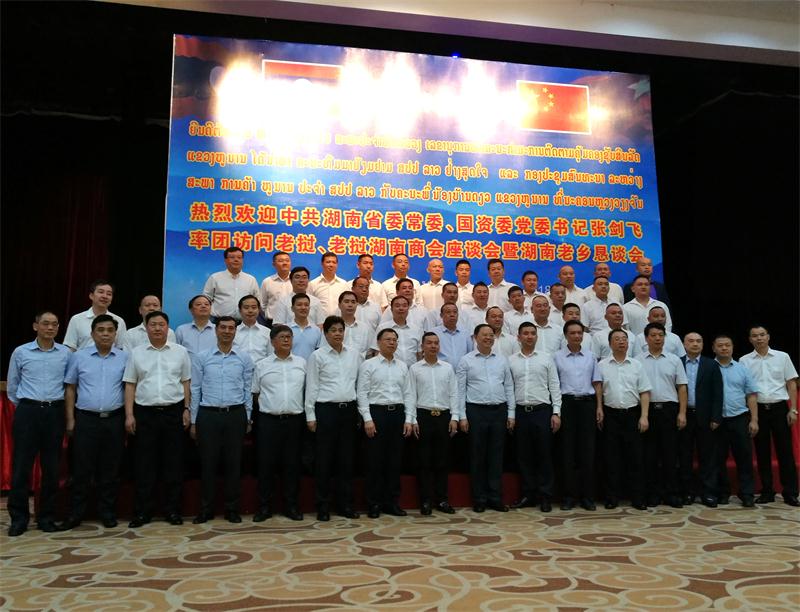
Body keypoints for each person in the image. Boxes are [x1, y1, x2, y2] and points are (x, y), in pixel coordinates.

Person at [59, 315, 128, 530]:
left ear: (116, 334)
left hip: (114, 420)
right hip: (86, 419)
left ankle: (107, 512)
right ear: (92, 333)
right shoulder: (79, 357)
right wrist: (70, 419)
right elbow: (70, 388)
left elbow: (129, 389)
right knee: (82, 469)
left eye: (110, 330)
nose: (105, 334)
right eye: (101, 330)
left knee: (110, 469)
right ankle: (76, 514)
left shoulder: (125, 358)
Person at [124, 311, 192, 527]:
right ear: (146, 328)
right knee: (144, 464)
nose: (157, 328)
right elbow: (130, 384)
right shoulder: (136, 353)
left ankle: (173, 511)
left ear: (167, 328)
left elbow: (186, 382)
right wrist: (129, 414)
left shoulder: (180, 352)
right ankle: (143, 512)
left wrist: (187, 409)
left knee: (174, 463)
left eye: (161, 324)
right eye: (152, 324)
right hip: (145, 413)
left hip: (173, 412)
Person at [6, 311, 72, 536]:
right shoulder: (21, 352)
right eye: (45, 324)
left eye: (54, 324)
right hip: (28, 411)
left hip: (54, 412)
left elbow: (69, 385)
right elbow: (13, 387)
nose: (50, 328)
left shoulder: (65, 353)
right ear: (35, 326)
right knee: (21, 468)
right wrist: (29, 405)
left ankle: (46, 517)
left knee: (51, 468)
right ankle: (19, 518)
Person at [190, 316, 254, 524]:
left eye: (231, 328)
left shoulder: (244, 358)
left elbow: (247, 389)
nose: (227, 331)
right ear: (216, 330)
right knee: (207, 463)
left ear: (235, 331)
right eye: (223, 328)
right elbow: (195, 389)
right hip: (208, 415)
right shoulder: (202, 357)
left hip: (235, 414)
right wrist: (194, 420)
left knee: (233, 464)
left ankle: (232, 509)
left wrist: (248, 417)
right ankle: (206, 509)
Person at [305, 316, 362, 521]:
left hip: (349, 411)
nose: (338, 333)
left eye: (340, 330)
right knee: (324, 460)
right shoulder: (317, 356)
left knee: (346, 460)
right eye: (333, 330)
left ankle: (345, 505)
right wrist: (310, 415)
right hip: (326, 411)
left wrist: (360, 412)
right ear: (326, 333)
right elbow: (312, 386)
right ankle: (323, 506)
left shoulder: (354, 354)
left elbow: (359, 385)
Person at [456, 324, 515, 513]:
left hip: (499, 411)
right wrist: (462, 416)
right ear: (475, 337)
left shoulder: (502, 360)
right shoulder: (466, 360)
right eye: (484, 335)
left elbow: (509, 387)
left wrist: (511, 413)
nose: (488, 338)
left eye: (491, 335)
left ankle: (495, 497)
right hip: (475, 411)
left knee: (496, 456)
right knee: (477, 456)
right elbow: (460, 390)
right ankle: (479, 498)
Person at [358, 328, 415, 518]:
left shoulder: (402, 366)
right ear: (378, 342)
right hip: (376, 414)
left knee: (394, 461)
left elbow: (408, 394)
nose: (392, 343)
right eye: (388, 339)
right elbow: (362, 393)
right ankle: (374, 503)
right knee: (374, 461)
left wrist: (409, 419)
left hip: (397, 414)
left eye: (394, 340)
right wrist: (367, 419)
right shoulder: (369, 365)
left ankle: (392, 502)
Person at [252, 325, 307, 521]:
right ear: (272, 341)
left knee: (292, 465)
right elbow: (256, 393)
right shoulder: (262, 365)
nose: (286, 340)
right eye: (282, 337)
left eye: (289, 337)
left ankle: (291, 506)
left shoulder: (302, 363)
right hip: (268, 421)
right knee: (266, 465)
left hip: (294, 421)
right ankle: (264, 507)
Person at [740, 326, 799, 506]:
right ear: (750, 339)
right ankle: (767, 491)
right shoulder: (744, 360)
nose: (759, 338)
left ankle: (790, 492)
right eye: (755, 336)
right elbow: (744, 388)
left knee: (785, 451)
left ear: (768, 337)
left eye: (762, 335)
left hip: (779, 408)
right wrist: (752, 417)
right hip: (757, 410)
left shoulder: (783, 357)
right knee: (762, 451)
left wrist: (793, 409)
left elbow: (791, 383)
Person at [509, 322, 562, 513]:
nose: (529, 336)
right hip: (521, 412)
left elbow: (554, 386)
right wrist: (511, 414)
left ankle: (545, 496)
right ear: (519, 337)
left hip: (542, 411)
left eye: (533, 333)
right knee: (524, 456)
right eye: (525, 333)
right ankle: (528, 495)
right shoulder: (511, 360)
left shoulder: (546, 359)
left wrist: (556, 412)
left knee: (544, 455)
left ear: (537, 337)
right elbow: (509, 388)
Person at [599, 329, 652, 510]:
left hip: (632, 414)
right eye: (617, 339)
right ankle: (611, 497)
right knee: (611, 458)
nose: (621, 342)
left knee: (636, 458)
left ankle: (638, 498)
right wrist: (599, 409)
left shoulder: (637, 365)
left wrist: (644, 416)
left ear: (628, 343)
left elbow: (644, 391)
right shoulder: (602, 365)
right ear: (610, 343)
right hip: (610, 415)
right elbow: (599, 391)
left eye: (624, 339)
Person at [637, 322, 688, 508]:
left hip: (669, 410)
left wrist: (682, 413)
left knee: (670, 454)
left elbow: (682, 387)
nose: (657, 338)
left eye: (661, 335)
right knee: (649, 455)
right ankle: (653, 494)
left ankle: (671, 494)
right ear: (646, 338)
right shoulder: (638, 360)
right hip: (647, 410)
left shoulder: (674, 360)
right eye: (653, 335)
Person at [554, 320, 603, 511]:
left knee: (587, 451)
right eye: (572, 333)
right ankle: (568, 496)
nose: (576, 336)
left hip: (587, 405)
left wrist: (599, 407)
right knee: (567, 452)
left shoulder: (591, 356)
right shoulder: (556, 357)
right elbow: (554, 385)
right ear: (566, 335)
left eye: (579, 333)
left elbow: (597, 383)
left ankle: (587, 497)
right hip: (566, 404)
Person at [410, 332, 458, 515]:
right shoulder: (415, 369)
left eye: (436, 343)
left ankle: (442, 500)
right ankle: (425, 500)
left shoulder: (447, 368)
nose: (433, 346)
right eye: (429, 343)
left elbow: (454, 393)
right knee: (424, 461)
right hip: (423, 416)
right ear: (422, 346)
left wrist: (454, 417)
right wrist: (412, 419)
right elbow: (411, 395)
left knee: (442, 460)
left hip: (444, 416)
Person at [712, 334, 759, 507]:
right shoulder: (708, 368)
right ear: (713, 348)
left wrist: (754, 419)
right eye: (720, 345)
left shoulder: (742, 369)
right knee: (718, 458)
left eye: (727, 345)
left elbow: (751, 395)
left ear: (732, 347)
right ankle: (722, 492)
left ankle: (746, 493)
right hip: (716, 421)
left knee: (744, 457)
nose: (724, 348)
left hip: (739, 418)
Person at [680, 332, 724, 507]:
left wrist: (716, 417)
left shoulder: (711, 364)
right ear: (684, 344)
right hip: (684, 416)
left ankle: (708, 493)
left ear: (703, 344)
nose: (695, 344)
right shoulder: (677, 362)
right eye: (691, 341)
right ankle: (687, 492)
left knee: (708, 456)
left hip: (706, 417)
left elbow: (718, 393)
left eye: (699, 341)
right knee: (684, 456)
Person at [64, 280, 127, 350]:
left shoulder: (119, 321)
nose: (105, 296)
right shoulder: (77, 319)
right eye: (101, 292)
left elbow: (121, 348)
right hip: (83, 357)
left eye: (109, 294)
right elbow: (70, 347)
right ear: (91, 296)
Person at [202, 246, 260, 320]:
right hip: (219, 322)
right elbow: (206, 299)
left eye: (239, 257)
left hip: (244, 321)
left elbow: (257, 300)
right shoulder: (215, 278)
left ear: (242, 260)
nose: (236, 260)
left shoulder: (251, 279)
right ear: (225, 260)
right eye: (232, 257)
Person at [372, 295, 422, 366]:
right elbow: (377, 351)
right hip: (389, 369)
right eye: (397, 306)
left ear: (408, 309)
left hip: (411, 370)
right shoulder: (382, 328)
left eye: (404, 306)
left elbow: (419, 353)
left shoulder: (416, 329)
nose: (401, 308)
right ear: (391, 309)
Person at [432, 303, 473, 368]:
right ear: (441, 315)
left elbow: (470, 353)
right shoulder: (434, 333)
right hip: (441, 370)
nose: (452, 315)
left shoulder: (465, 333)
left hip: (462, 371)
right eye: (448, 312)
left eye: (455, 312)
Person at [233, 294, 272, 363]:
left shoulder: (267, 332)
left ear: (259, 310)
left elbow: (271, 355)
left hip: (262, 368)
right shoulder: (233, 332)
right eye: (246, 308)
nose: (250, 311)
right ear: (240, 310)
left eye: (254, 307)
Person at [309, 252, 349, 316]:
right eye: (328, 262)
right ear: (322, 264)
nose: (331, 265)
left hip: (339, 320)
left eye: (334, 262)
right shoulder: (313, 284)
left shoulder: (344, 284)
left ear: (337, 265)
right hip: (320, 321)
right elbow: (309, 305)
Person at [287, 293, 322, 360]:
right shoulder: (285, 329)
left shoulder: (316, 330)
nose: (303, 308)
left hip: (311, 366)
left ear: (309, 308)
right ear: (292, 308)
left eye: (306, 305)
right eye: (299, 305)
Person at [336, 290, 371, 357]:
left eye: (353, 302)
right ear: (339, 305)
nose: (350, 305)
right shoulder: (332, 327)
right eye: (346, 302)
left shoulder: (364, 328)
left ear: (357, 305)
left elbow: (368, 352)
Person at [260, 251, 292, 323]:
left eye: (287, 260)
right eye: (281, 261)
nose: (285, 263)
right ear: (274, 264)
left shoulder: (297, 281)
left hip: (292, 322)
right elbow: (262, 305)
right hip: (271, 322)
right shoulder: (267, 282)